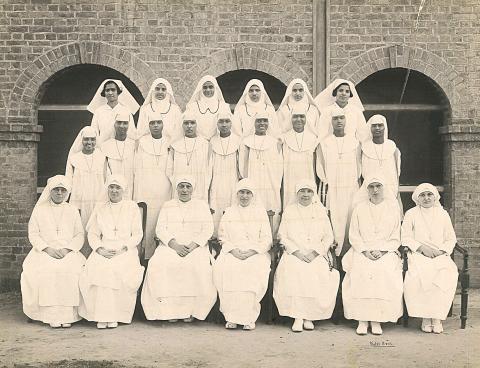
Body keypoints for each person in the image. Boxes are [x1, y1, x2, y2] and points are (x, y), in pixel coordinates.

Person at [141, 176, 217, 322]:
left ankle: (191, 311)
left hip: (195, 247)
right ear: (176, 189)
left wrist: (192, 246)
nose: (184, 190)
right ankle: (168, 311)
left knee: (198, 266)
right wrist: (175, 246)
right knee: (159, 264)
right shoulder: (168, 205)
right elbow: (161, 229)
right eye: (181, 186)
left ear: (192, 189)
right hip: (170, 246)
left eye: (188, 186)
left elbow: (208, 229)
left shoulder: (201, 205)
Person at [79, 175, 144, 329]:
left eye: (118, 188)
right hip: (104, 248)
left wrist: (124, 248)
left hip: (125, 249)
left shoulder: (132, 207)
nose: (114, 191)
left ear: (123, 190)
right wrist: (99, 249)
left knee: (116, 268)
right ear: (107, 189)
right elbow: (93, 234)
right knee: (98, 267)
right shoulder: (100, 207)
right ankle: (101, 316)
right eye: (111, 187)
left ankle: (115, 315)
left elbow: (137, 234)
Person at [274, 180, 339, 332]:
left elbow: (328, 237)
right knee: (294, 270)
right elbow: (282, 235)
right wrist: (296, 252)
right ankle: (298, 316)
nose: (305, 194)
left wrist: (315, 252)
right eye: (302, 191)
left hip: (316, 254)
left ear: (313, 193)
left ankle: (310, 316)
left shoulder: (320, 211)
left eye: (309, 191)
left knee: (316, 271)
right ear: (297, 194)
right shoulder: (290, 211)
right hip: (294, 253)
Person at [21, 175, 85, 328]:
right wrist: (46, 248)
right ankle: (50, 316)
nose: (59, 193)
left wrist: (68, 249)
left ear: (67, 193)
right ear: (50, 191)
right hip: (43, 251)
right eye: (56, 189)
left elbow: (79, 235)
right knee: (47, 270)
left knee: (71, 270)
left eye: (63, 190)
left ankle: (67, 316)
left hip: (67, 251)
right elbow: (33, 234)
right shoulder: (39, 210)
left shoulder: (72, 210)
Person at [342, 175, 403, 335]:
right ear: (366, 189)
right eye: (371, 187)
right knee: (360, 270)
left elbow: (396, 235)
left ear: (384, 188)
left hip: (386, 251)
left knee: (384, 271)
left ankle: (377, 320)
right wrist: (365, 250)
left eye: (378, 186)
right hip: (362, 250)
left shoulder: (392, 208)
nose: (375, 190)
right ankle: (362, 320)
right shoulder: (359, 209)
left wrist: (382, 250)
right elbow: (354, 234)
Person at [213, 179, 272, 330]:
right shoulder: (230, 212)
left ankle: (248, 318)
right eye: (241, 192)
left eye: (248, 193)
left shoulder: (260, 213)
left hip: (255, 253)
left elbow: (267, 239)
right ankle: (231, 317)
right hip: (232, 252)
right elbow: (222, 237)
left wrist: (252, 252)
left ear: (253, 195)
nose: (244, 196)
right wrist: (234, 251)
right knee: (227, 269)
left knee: (252, 270)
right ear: (236, 194)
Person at [402, 183, 458, 334]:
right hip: (419, 254)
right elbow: (405, 237)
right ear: (417, 198)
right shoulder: (411, 214)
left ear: (435, 197)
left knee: (447, 272)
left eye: (429, 195)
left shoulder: (443, 214)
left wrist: (441, 251)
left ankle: (437, 317)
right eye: (422, 195)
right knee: (421, 274)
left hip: (440, 255)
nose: (426, 198)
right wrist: (422, 248)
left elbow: (451, 239)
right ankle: (426, 317)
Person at [316, 107, 361, 256]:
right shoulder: (324, 143)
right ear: (331, 122)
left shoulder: (355, 143)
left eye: (341, 118)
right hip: (333, 188)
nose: (339, 121)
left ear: (346, 120)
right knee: (334, 220)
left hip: (350, 188)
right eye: (335, 119)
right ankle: (334, 256)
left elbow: (358, 168)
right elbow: (321, 168)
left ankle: (349, 254)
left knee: (350, 219)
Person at [134, 117, 172, 260]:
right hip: (146, 187)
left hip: (164, 188)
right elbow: (137, 168)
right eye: (152, 123)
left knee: (161, 219)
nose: (155, 126)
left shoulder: (169, 142)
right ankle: (144, 256)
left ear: (163, 124)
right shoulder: (142, 143)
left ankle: (160, 256)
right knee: (146, 221)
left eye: (158, 122)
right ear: (147, 125)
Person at [239, 112, 283, 234]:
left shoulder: (275, 142)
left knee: (271, 209)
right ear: (254, 123)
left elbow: (279, 166)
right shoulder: (246, 142)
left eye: (265, 120)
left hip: (270, 184)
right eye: (259, 121)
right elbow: (242, 166)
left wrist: (275, 183)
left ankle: (272, 239)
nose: (262, 123)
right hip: (253, 182)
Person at [65, 126, 106, 238]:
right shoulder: (74, 159)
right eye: (86, 139)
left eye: (92, 139)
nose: (89, 142)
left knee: (97, 229)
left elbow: (107, 180)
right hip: (79, 200)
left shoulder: (102, 157)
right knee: (80, 230)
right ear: (81, 140)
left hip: (97, 199)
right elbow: (68, 180)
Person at [209, 107, 241, 236]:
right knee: (215, 208)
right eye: (221, 121)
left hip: (232, 181)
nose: (224, 124)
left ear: (231, 123)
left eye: (227, 121)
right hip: (216, 182)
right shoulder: (212, 141)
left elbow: (241, 165)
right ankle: (216, 239)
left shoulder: (238, 141)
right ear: (217, 124)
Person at [361, 114, 402, 214]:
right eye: (374, 126)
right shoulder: (364, 149)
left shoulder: (393, 148)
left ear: (385, 127)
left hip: (390, 188)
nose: (377, 128)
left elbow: (397, 172)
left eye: (380, 125)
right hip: (371, 189)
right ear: (370, 128)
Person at [167, 112, 212, 201]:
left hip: (200, 187)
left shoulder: (205, 144)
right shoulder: (175, 145)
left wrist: (205, 185)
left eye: (192, 123)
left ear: (197, 125)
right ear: (182, 125)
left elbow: (209, 169)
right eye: (186, 123)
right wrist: (177, 183)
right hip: (180, 188)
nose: (189, 126)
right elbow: (169, 169)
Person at [281, 107, 318, 206]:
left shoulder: (313, 138)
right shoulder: (284, 138)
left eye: (302, 116)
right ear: (290, 119)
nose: (298, 119)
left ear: (306, 119)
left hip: (308, 175)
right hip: (290, 177)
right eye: (295, 117)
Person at [88, 79, 139, 145]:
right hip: (103, 148)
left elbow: (132, 133)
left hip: (122, 148)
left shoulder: (126, 111)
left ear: (118, 92)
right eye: (107, 90)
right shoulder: (99, 111)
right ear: (104, 93)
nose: (110, 93)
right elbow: (94, 132)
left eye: (113, 90)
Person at [184, 75, 231, 140]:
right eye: (205, 87)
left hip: (219, 142)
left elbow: (229, 126)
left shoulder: (224, 106)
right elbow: (187, 125)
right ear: (201, 89)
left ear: (215, 88)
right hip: (197, 142)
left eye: (211, 87)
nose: (208, 90)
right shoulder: (192, 107)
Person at [137, 78, 183, 142]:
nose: (160, 92)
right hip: (150, 146)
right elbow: (140, 132)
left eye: (163, 89)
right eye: (157, 89)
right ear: (153, 90)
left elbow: (179, 132)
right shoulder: (145, 109)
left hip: (170, 146)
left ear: (168, 92)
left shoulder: (175, 109)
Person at [102, 112, 136, 199]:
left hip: (131, 186)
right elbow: (105, 171)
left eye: (125, 123)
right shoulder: (106, 146)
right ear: (114, 124)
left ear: (129, 125)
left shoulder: (134, 145)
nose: (121, 126)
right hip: (113, 188)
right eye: (119, 122)